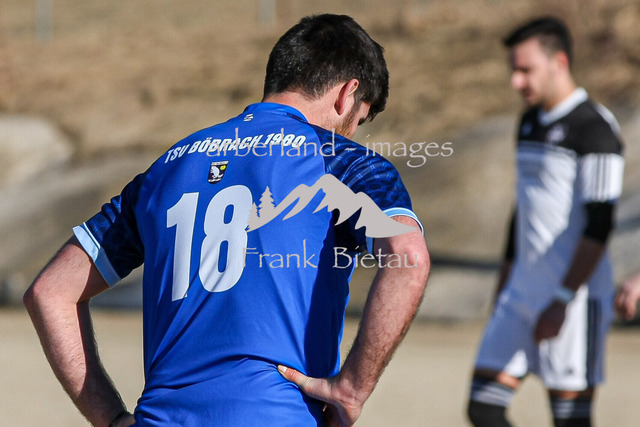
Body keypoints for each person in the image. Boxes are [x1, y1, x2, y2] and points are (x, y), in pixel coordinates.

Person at [23, 14, 429, 427]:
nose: (352, 133)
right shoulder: (342, 161)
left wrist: (111, 419)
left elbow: (50, 292)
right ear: (346, 94)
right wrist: (353, 388)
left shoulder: (166, 167)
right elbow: (408, 257)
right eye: (359, 120)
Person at [467, 17, 624, 427]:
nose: (516, 81)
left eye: (525, 70)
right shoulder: (529, 122)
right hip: (520, 294)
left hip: (572, 302)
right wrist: (504, 284)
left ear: (560, 62)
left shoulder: (595, 129)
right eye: (513, 70)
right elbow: (524, 208)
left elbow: (600, 225)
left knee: (570, 421)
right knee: (483, 408)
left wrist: (562, 299)